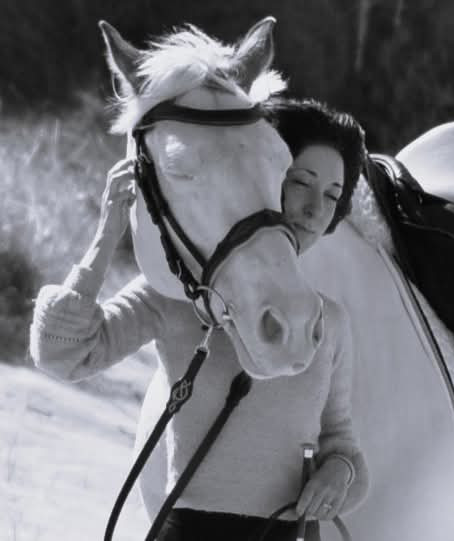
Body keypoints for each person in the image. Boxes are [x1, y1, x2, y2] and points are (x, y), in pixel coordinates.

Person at [30, 98, 368, 541]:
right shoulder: (177, 295)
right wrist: (106, 235)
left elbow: (342, 444)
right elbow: (63, 354)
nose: (313, 208)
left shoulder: (328, 323)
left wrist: (340, 475)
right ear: (265, 179)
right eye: (301, 182)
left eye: (332, 196)